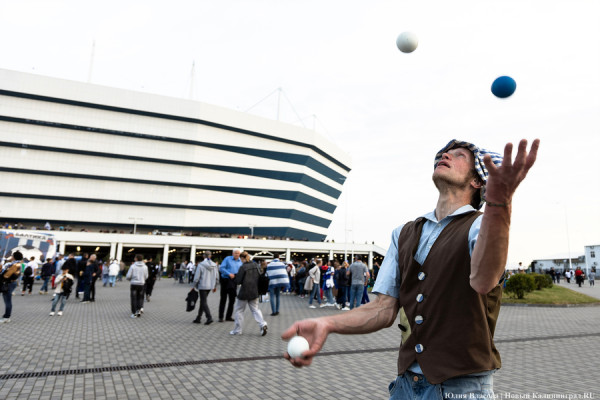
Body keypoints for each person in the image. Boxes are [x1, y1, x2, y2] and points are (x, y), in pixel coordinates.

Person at [281, 138, 540, 399]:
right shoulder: (403, 233)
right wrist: (327, 322)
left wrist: (499, 204)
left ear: (477, 181)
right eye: (444, 153)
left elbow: (484, 281)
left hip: (462, 387)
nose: (446, 155)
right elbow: (382, 310)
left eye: (459, 155)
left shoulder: (481, 226)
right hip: (405, 385)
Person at [229, 252, 268, 336]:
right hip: (255, 291)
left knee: (239, 310)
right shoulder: (256, 265)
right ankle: (262, 324)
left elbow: (238, 281)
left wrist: (234, 277)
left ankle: (237, 330)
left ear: (242, 258)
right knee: (255, 309)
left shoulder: (243, 267)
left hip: (244, 291)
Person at [192, 251, 218, 325]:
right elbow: (217, 276)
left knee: (203, 302)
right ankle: (198, 318)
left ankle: (209, 317)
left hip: (202, 285)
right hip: (210, 286)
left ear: (203, 256)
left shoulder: (201, 265)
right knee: (203, 301)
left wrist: (193, 286)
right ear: (210, 256)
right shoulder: (214, 265)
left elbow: (196, 277)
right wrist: (215, 286)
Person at [218, 249, 242, 322]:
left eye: (238, 253)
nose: (237, 255)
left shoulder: (240, 261)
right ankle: (221, 317)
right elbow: (221, 268)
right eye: (235, 253)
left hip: (234, 281)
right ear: (232, 253)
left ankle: (228, 316)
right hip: (225, 280)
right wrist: (229, 274)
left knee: (232, 299)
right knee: (223, 299)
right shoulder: (227, 259)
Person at [0, 251, 23, 323]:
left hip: (8, 283)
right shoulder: (18, 264)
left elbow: (6, 275)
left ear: (14, 257)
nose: (11, 257)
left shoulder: (14, 265)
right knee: (7, 300)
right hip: (12, 283)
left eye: (12, 256)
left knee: (7, 301)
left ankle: (6, 317)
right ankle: (6, 316)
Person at [126, 254, 148, 318]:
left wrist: (130, 279)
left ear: (136, 259)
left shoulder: (133, 266)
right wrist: (142, 279)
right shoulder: (145, 267)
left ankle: (134, 312)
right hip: (141, 284)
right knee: (140, 298)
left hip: (134, 284)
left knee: (133, 298)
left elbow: (128, 276)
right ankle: (139, 310)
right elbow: (146, 276)